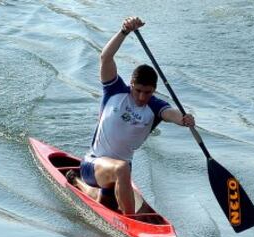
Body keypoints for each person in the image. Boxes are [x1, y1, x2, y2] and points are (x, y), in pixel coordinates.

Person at [67, 17, 195, 214]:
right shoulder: (115, 91)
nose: (142, 97)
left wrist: (184, 119)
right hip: (94, 165)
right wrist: (124, 32)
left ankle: (76, 182)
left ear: (154, 90)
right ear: (131, 85)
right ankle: (130, 223)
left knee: (107, 201)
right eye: (138, 91)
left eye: (148, 92)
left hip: (117, 175)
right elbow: (106, 58)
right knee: (122, 168)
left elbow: (171, 114)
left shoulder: (155, 106)